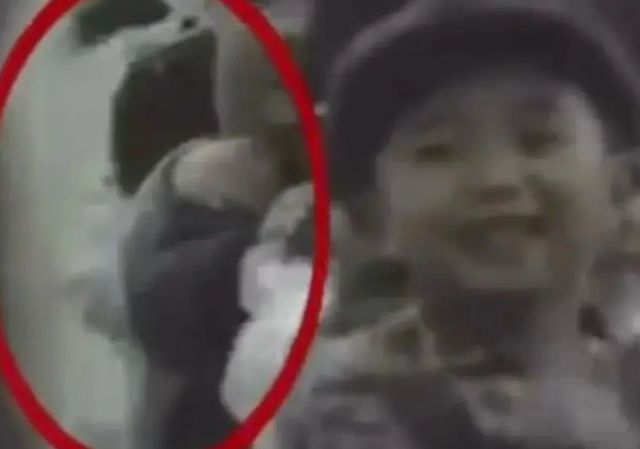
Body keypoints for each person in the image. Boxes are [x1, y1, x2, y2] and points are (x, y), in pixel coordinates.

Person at [274, 0, 640, 447]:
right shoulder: (352, 410)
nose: (496, 180)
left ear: (620, 187)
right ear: (369, 217)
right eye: (438, 151)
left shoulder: (624, 381)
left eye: (539, 140)